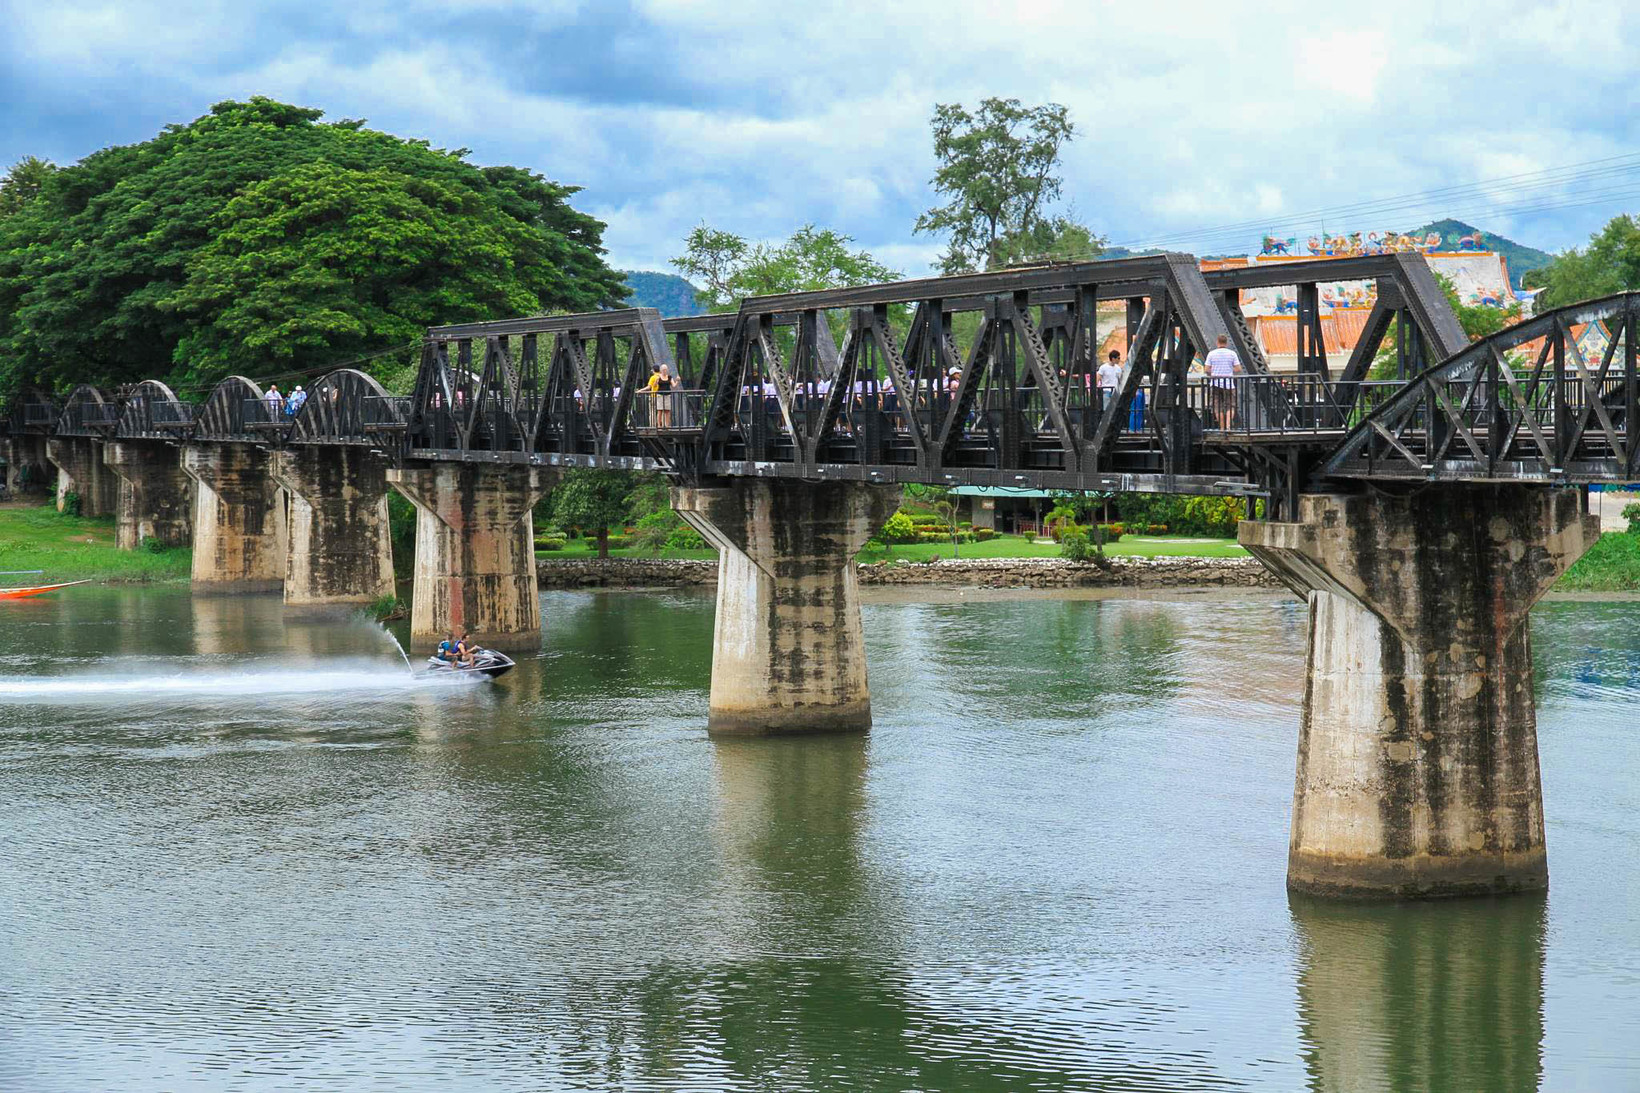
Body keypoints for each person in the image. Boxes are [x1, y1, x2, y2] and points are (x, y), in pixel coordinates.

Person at [1205, 333, 1243, 430]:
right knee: (1231, 406)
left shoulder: (1211, 354)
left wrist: (1212, 373)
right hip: (1229, 384)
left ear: (1217, 342)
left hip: (1215, 383)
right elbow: (1238, 369)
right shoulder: (1232, 353)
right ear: (1226, 343)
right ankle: (1228, 427)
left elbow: (1207, 370)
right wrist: (1230, 370)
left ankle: (1222, 428)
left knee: (1217, 406)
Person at [654, 363, 675, 428]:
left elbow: (673, 385)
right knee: (660, 410)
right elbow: (654, 386)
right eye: (663, 369)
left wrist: (677, 381)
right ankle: (659, 426)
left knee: (667, 410)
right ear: (661, 370)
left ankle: (667, 425)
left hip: (667, 395)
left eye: (665, 369)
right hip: (660, 395)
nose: (664, 371)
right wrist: (656, 381)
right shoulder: (658, 377)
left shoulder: (669, 377)